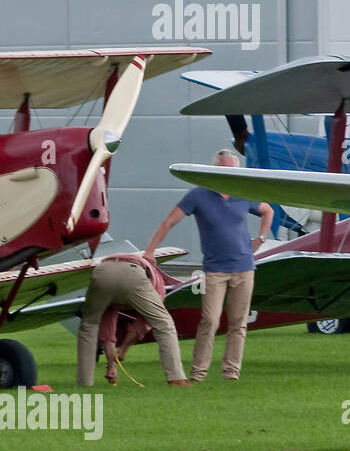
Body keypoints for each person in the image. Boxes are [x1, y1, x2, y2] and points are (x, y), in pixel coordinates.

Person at [145, 149, 274, 382]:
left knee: (238, 323)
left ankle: (231, 373)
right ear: (214, 170)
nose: (229, 174)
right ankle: (198, 374)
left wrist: (260, 239)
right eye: (224, 170)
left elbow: (268, 211)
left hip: (245, 268)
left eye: (233, 170)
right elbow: (169, 221)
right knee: (210, 321)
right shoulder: (198, 196)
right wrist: (150, 250)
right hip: (215, 271)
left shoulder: (243, 194)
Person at [77, 252, 188, 388]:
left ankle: (84, 383)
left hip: (102, 271)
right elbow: (141, 326)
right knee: (163, 324)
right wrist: (123, 350)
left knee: (89, 325)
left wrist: (112, 366)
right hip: (133, 271)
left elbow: (107, 333)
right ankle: (176, 379)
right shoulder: (158, 285)